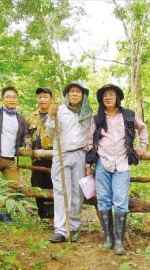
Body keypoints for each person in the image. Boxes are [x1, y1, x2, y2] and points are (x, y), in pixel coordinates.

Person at [86, 83, 148, 255]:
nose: (108, 97)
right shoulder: (96, 118)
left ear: (117, 97)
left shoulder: (128, 115)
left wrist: (143, 146)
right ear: (101, 99)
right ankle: (108, 237)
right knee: (104, 200)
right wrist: (88, 165)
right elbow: (90, 141)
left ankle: (119, 241)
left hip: (122, 162)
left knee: (120, 200)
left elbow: (142, 128)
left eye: (112, 94)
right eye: (105, 95)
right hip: (102, 163)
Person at [46, 81, 93, 243]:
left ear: (83, 96)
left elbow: (90, 137)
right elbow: (51, 133)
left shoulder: (87, 114)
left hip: (80, 154)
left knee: (76, 192)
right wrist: (51, 116)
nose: (74, 94)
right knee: (61, 191)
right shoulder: (58, 110)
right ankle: (61, 230)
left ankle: (72, 228)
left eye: (78, 92)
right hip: (61, 153)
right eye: (72, 91)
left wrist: (89, 162)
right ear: (67, 94)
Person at [0, 85, 30, 221]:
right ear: (2, 100)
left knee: (13, 185)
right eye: (8, 97)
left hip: (10, 158)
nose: (11, 99)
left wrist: (27, 142)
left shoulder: (20, 118)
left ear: (17, 100)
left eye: (14, 97)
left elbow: (26, 134)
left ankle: (5, 213)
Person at [27, 87, 54, 220]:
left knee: (52, 184)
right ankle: (43, 216)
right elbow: (25, 134)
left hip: (53, 156)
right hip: (36, 158)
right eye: (40, 97)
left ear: (51, 99)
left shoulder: (56, 115)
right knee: (37, 184)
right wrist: (26, 143)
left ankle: (53, 217)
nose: (42, 99)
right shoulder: (32, 117)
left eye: (45, 97)